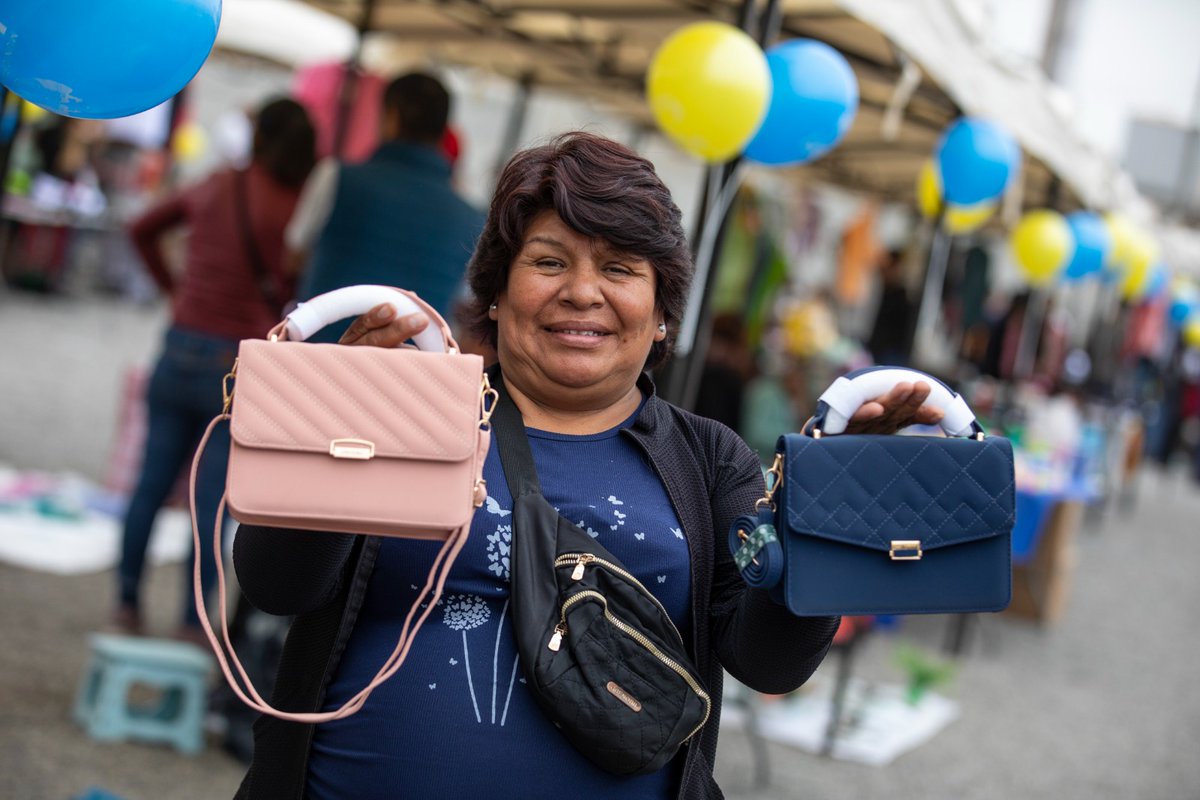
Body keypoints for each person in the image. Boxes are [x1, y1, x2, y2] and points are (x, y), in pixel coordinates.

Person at [230, 132, 944, 799]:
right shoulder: (408, 416)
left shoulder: (709, 460)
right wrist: (340, 426)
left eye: (619, 268)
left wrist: (827, 509)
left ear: (661, 312)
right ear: (496, 292)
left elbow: (771, 663)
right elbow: (276, 585)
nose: (581, 291)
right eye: (548, 262)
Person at [113, 98, 316, 642]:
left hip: (179, 346)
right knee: (211, 503)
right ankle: (192, 621)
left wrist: (173, 288)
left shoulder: (215, 183)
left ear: (259, 135)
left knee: (150, 485)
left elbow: (142, 228)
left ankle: (126, 604)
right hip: (239, 365)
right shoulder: (297, 204)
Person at [285, 70, 484, 339]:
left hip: (320, 351)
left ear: (391, 116)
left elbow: (294, 256)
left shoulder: (335, 176)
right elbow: (465, 300)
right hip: (412, 361)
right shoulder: (473, 219)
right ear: (443, 128)